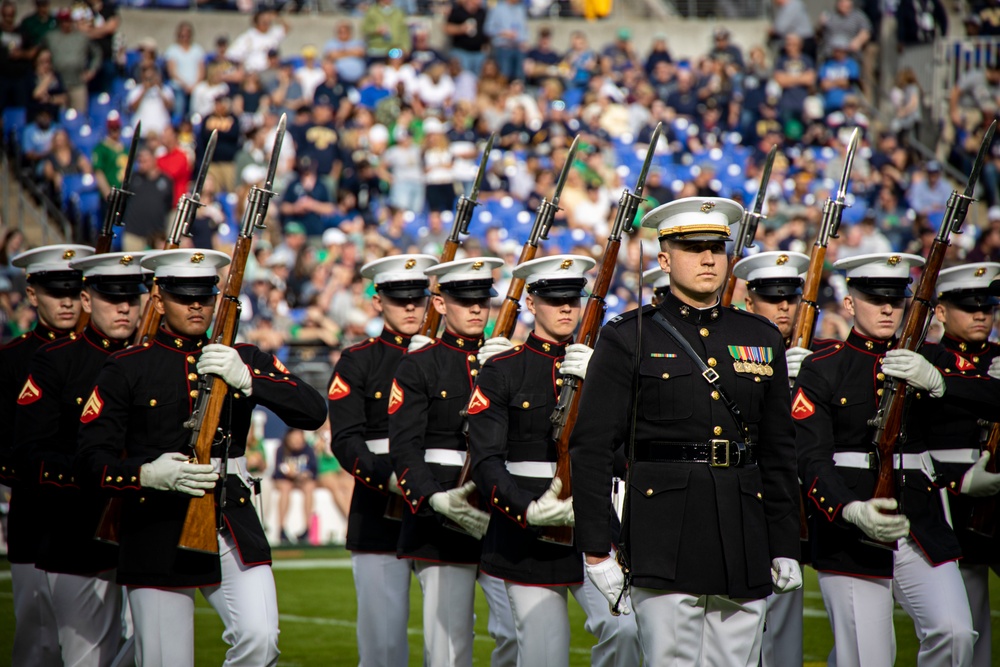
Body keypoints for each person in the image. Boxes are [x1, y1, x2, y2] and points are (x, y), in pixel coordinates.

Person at [570, 198, 802, 666]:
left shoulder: (760, 337)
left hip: (743, 533)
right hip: (664, 534)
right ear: (664, 259)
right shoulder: (628, 336)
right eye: (692, 248)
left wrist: (784, 543)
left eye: (716, 248)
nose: (708, 258)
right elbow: (591, 446)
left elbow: (777, 450)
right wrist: (597, 548)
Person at [76, 248, 327, 666]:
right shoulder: (127, 368)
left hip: (230, 515)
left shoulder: (242, 358)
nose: (196, 305)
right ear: (158, 299)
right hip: (156, 521)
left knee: (260, 639)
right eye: (182, 296)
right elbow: (90, 461)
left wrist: (251, 381)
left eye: (205, 296)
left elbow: (313, 411)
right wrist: (146, 474)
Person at [794, 252, 984, 667]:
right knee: (866, 658)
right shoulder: (824, 368)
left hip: (919, 521)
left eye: (896, 300)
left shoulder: (929, 360)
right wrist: (849, 509)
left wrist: (940, 384)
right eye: (874, 298)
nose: (886, 308)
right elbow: (810, 459)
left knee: (955, 635)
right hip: (851, 527)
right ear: (849, 304)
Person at [468, 254, 641, 667]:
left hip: (592, 524)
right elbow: (486, 459)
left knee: (628, 630)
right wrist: (528, 509)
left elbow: (623, 453)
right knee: (544, 654)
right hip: (524, 535)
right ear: (531, 304)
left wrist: (602, 381)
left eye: (573, 298)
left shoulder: (601, 368)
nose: (567, 307)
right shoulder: (503, 371)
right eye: (554, 299)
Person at [14, 251, 145, 666]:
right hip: (76, 527)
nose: (124, 307)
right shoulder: (57, 362)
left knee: (155, 649)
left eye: (132, 297)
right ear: (89, 301)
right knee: (82, 657)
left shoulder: (153, 359)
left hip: (145, 532)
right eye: (111, 298)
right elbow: (32, 452)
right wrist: (104, 474)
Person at [388, 256, 517, 667]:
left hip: (500, 509)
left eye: (484, 300)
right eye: (465, 301)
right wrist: (433, 499)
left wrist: (509, 369)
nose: (478, 308)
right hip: (442, 514)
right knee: (448, 646)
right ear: (440, 304)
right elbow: (404, 447)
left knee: (516, 632)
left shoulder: (509, 363)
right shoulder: (419, 365)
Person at [327, 253, 436, 667]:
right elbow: (346, 441)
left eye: (417, 298)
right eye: (398, 299)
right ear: (378, 302)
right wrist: (392, 478)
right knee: (383, 648)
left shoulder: (444, 357)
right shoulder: (360, 361)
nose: (410, 307)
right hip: (379, 506)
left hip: (437, 511)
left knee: (447, 642)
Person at [0, 243, 94, 667]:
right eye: (57, 292)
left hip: (100, 516)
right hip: (38, 515)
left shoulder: (105, 356)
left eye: (75, 291)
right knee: (38, 643)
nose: (69, 302)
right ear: (33, 293)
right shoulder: (12, 361)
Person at [732, 250, 819, 667]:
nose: (784, 306)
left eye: (791, 297)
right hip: (745, 495)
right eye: (772, 298)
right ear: (750, 301)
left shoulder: (821, 357)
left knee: (785, 634)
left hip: (798, 500)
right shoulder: (735, 349)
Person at [920, 263, 1000, 667]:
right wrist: (958, 483)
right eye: (969, 307)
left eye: (988, 306)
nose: (982, 314)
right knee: (967, 622)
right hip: (949, 501)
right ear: (940, 312)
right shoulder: (926, 362)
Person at [42, 8, 99, 114]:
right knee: (59, 117)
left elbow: (97, 53)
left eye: (68, 20)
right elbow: (41, 53)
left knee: (79, 115)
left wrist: (92, 70)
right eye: (63, 21)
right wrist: (44, 70)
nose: (65, 23)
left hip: (78, 82)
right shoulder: (51, 37)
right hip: (57, 85)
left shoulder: (82, 37)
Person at [121, 148, 174, 251]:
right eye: (139, 161)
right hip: (134, 235)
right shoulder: (133, 179)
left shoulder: (166, 180)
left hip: (156, 237)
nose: (141, 165)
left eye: (144, 161)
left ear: (154, 160)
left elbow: (169, 207)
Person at [273, 427, 319, 544]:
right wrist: (289, 473)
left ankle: (307, 529)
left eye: (299, 438)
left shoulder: (308, 450)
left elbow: (314, 471)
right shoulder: (281, 450)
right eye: (294, 438)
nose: (297, 441)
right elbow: (277, 472)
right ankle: (281, 528)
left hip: (302, 481)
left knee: (309, 487)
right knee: (285, 487)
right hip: (286, 480)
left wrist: (305, 475)